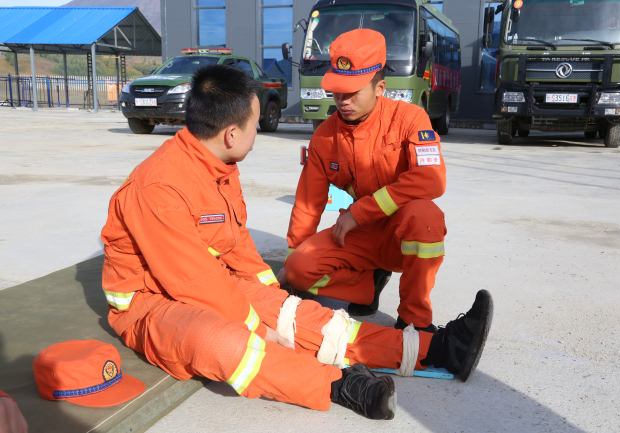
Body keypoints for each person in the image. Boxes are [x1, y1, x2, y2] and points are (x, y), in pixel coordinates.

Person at [100, 64, 491, 419]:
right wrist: (260, 325)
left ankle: (439, 349)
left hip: (211, 281)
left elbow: (235, 245)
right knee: (223, 342)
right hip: (150, 302)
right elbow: (193, 281)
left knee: (301, 316)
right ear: (231, 133)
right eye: (255, 126)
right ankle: (338, 385)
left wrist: (275, 299)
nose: (257, 134)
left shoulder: (216, 165)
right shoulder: (160, 188)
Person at [279, 29, 492, 338]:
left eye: (353, 92)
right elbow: (308, 204)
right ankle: (367, 285)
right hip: (359, 234)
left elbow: (433, 179)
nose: (342, 100)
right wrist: (292, 264)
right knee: (299, 269)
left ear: (380, 87)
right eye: (337, 91)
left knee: (426, 216)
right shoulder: (324, 136)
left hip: (400, 232)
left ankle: (414, 319)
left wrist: (360, 211)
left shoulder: (410, 119)